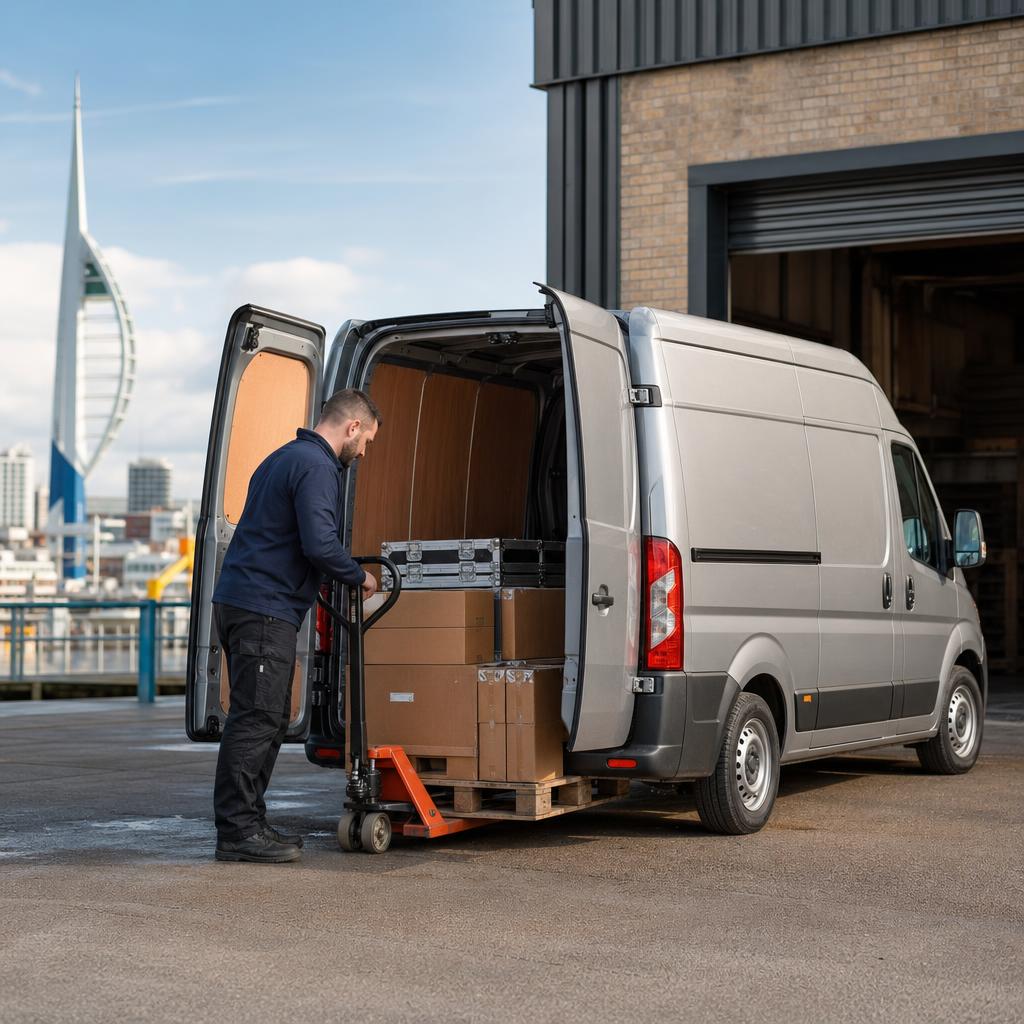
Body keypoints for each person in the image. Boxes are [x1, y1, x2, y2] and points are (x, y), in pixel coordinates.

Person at [211, 388, 380, 863]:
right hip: (264, 609)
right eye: (365, 439)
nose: (363, 451)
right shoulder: (316, 465)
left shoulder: (283, 457)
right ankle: (238, 833)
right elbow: (320, 544)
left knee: (265, 717)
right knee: (256, 718)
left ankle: (250, 824)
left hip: (249, 603)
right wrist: (359, 576)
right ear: (351, 428)